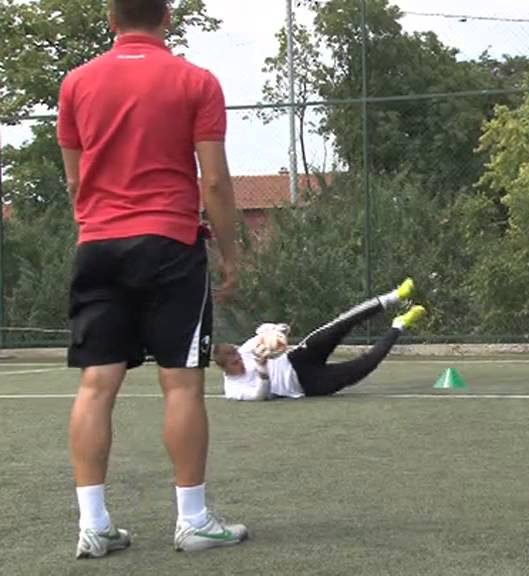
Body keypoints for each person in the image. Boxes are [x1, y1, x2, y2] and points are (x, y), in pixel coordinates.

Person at [57, 0, 245, 558]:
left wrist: (98, 226)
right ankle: (192, 521)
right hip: (170, 246)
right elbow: (213, 181)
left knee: (96, 385)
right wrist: (230, 253)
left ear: (112, 20)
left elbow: (74, 183)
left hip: (97, 245)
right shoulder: (196, 81)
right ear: (168, 18)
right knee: (182, 383)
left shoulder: (75, 85)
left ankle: (94, 526)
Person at [213, 279, 424, 401]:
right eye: (235, 363)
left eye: (238, 356)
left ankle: (396, 295)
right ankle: (399, 324)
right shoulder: (233, 390)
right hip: (307, 385)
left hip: (298, 358)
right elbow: (260, 396)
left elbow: (273, 332)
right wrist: (261, 368)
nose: (240, 361)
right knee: (364, 365)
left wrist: (277, 332)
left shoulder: (247, 349)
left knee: (341, 324)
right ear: (224, 369)